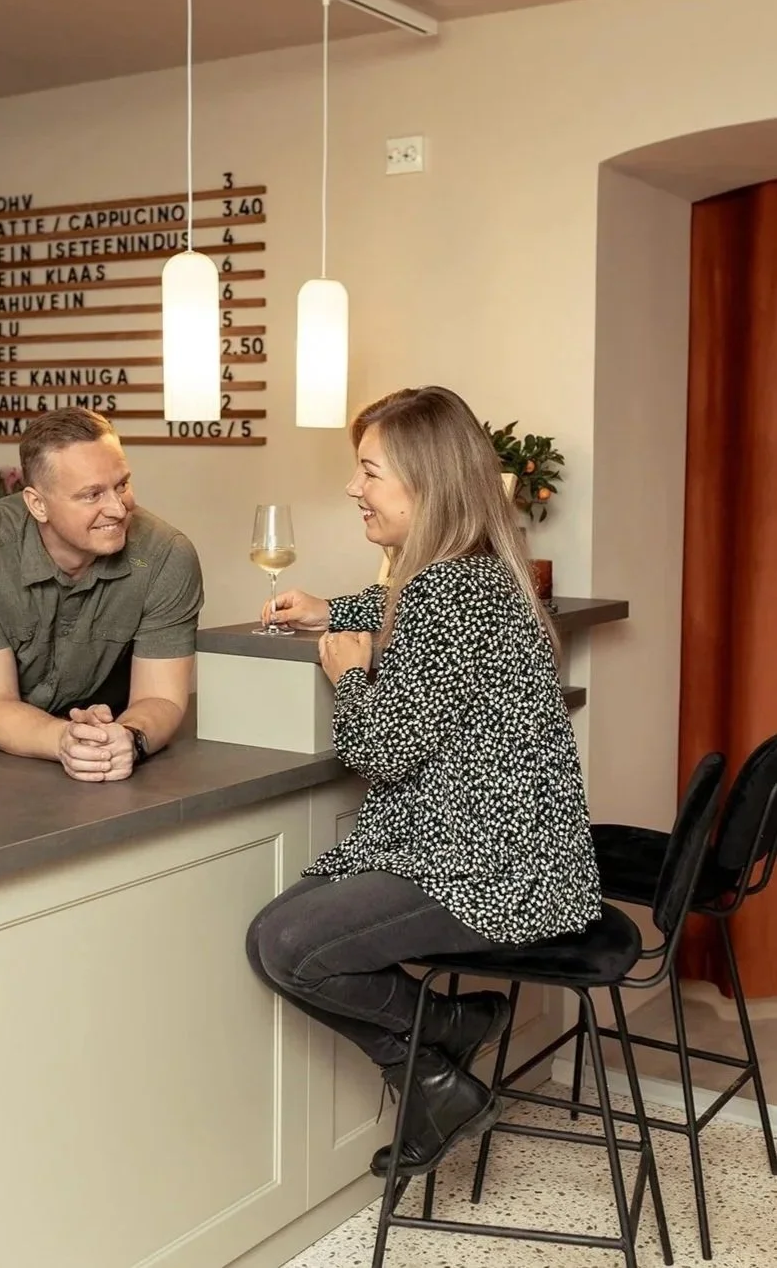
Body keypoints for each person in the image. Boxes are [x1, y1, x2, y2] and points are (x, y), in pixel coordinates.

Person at [246, 385, 601, 1177]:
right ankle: (444, 1040)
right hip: (524, 859)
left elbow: (381, 752)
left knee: (283, 942)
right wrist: (333, 607)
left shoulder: (447, 592)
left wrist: (346, 670)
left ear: (425, 484)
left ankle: (437, 1058)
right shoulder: (474, 574)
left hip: (491, 870)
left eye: (368, 471)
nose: (352, 488)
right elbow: (401, 605)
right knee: (284, 930)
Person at [0, 408, 203, 783]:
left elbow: (161, 697)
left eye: (121, 484)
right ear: (37, 504)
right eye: (92, 494)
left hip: (109, 754)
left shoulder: (166, 557)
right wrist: (64, 739)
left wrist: (130, 737)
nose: (117, 508)